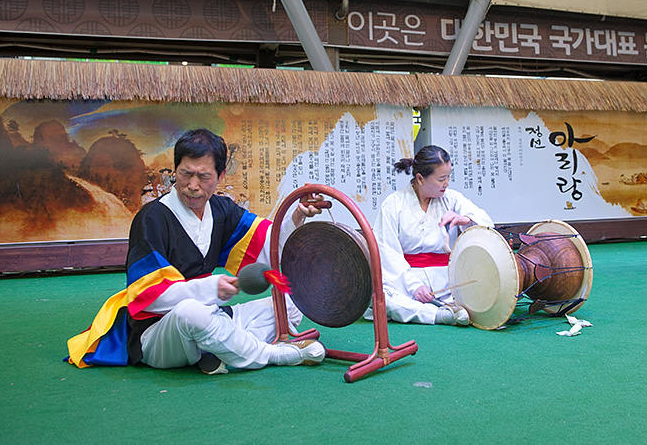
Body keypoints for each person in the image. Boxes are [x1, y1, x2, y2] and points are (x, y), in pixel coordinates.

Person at [68, 128, 326, 374]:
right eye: (185, 174)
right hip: (160, 334)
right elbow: (150, 297)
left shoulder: (222, 211)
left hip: (211, 317)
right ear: (175, 171)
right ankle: (271, 354)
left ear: (221, 176)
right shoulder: (151, 219)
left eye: (203, 177)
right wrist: (211, 289)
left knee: (292, 302)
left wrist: (296, 217)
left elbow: (267, 251)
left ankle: (219, 347)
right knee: (190, 312)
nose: (192, 185)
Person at [369, 145, 494, 325]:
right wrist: (414, 287)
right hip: (405, 281)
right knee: (380, 296)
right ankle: (438, 315)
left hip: (449, 281)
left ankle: (449, 307)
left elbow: (486, 222)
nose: (447, 183)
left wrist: (465, 219)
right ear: (420, 179)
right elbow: (387, 252)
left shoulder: (452, 199)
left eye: (449, 177)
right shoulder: (393, 204)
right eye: (442, 179)